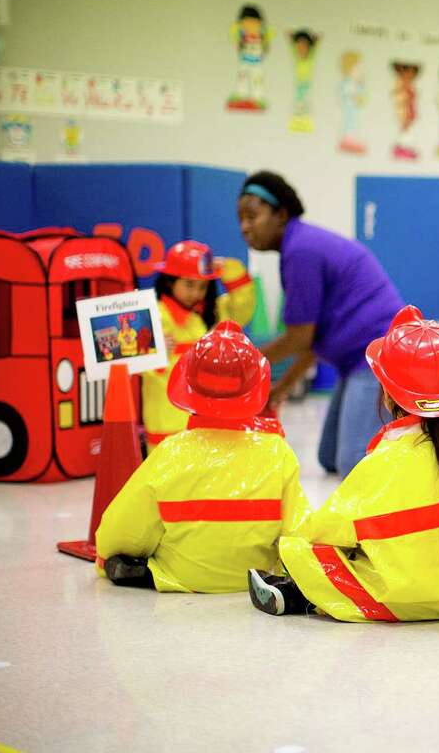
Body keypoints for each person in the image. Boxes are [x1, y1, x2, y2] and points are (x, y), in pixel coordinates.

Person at [248, 305, 439, 621]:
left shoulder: (387, 459)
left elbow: (331, 527)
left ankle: (297, 593)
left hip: (402, 599)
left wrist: (294, 541)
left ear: (389, 394)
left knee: (303, 550)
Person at [96, 322, 310, 593]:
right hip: (256, 580)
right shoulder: (277, 451)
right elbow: (300, 533)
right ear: (256, 387)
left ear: (188, 384)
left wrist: (107, 557)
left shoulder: (169, 452)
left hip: (180, 577)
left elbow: (119, 533)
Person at [237, 170, 405, 478]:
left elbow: (299, 338)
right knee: (329, 457)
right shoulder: (300, 244)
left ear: (281, 214)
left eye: (253, 216)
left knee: (352, 464)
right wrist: (282, 386)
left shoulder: (300, 251)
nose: (245, 227)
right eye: (241, 219)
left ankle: (418, 461)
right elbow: (311, 340)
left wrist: (246, 363)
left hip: (377, 359)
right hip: (355, 361)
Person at [142, 240, 255, 446]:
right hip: (167, 420)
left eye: (202, 286)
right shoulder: (153, 314)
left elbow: (244, 305)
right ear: (169, 281)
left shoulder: (215, 313)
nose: (196, 293)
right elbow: (130, 361)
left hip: (209, 417)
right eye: (189, 284)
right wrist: (152, 353)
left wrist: (229, 269)